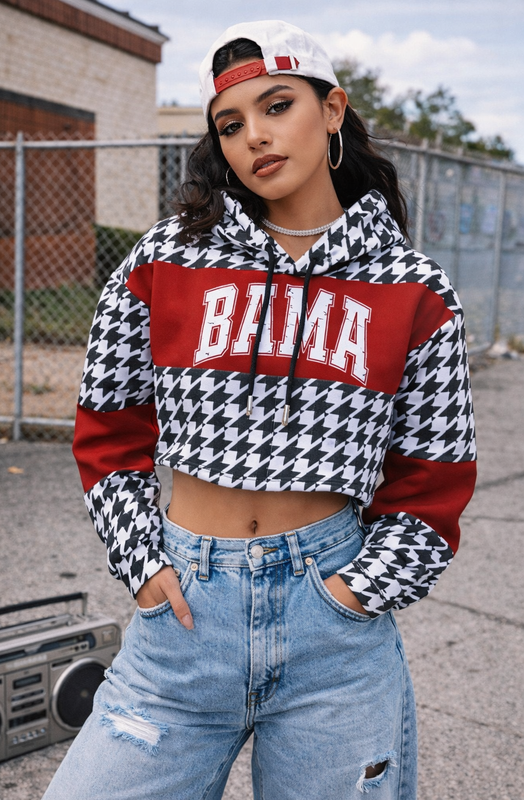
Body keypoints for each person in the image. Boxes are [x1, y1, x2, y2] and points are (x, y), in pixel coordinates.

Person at [43, 19, 476, 800]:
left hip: (332, 627)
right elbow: (108, 428)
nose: (256, 137)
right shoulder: (167, 258)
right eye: (231, 124)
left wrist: (356, 592)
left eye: (278, 106)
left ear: (333, 109)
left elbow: (432, 480)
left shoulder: (412, 287)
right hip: (184, 615)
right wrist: (142, 563)